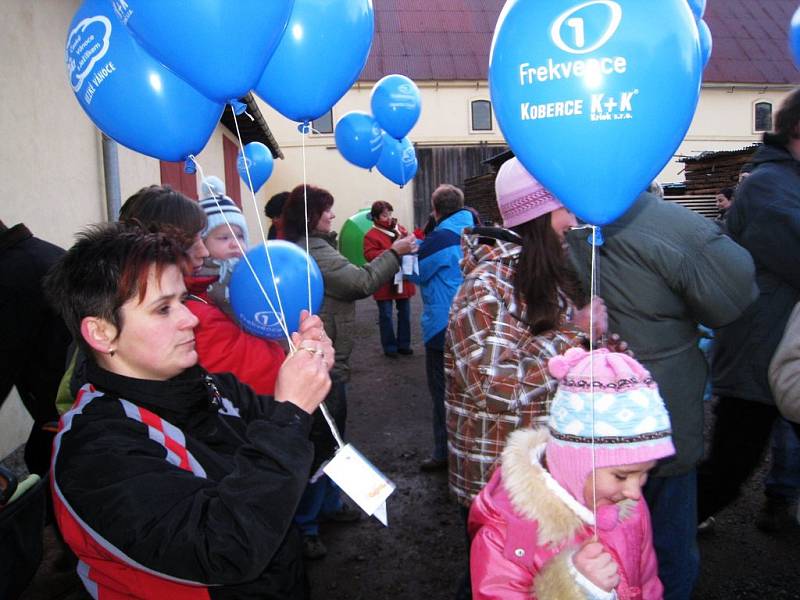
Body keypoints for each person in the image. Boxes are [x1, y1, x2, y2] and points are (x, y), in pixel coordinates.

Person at [44, 222, 333, 598]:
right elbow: (225, 550)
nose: (190, 318)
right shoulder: (96, 451)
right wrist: (290, 413)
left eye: (182, 300)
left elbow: (313, 454)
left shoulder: (210, 388)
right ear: (101, 333)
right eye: (163, 308)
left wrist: (314, 375)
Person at [567, 187, 757, 599]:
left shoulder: (550, 226)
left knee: (594, 542)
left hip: (585, 417)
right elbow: (734, 294)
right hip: (661, 405)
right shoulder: (666, 225)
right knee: (668, 536)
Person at [446, 158, 607, 599]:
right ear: (536, 214)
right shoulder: (485, 286)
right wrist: (575, 333)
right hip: (498, 480)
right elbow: (496, 388)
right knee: (493, 583)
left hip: (539, 476)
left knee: (538, 582)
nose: (572, 222)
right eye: (564, 211)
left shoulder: (543, 276)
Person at [469, 348, 674, 600]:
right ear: (575, 466)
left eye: (645, 473)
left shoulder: (630, 507)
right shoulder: (505, 536)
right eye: (621, 475)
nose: (635, 491)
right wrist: (575, 590)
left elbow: (648, 583)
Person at [282, 184, 418, 558]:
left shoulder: (312, 245)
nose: (332, 216)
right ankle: (308, 524)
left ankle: (328, 505)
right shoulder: (316, 249)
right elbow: (360, 282)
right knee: (321, 442)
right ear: (311, 216)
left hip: (323, 358)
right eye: (327, 210)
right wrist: (395, 253)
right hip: (323, 362)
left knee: (330, 439)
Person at [699, 88, 800, 535]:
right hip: (760, 352)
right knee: (730, 466)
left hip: (777, 348)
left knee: (735, 460)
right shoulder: (770, 188)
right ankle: (664, 533)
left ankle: (778, 502)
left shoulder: (781, 181)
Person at [121, 185, 286, 396]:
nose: (204, 251)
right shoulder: (193, 311)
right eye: (190, 242)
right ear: (156, 246)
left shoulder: (205, 292)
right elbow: (259, 376)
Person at [408, 185, 476, 472]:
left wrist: (408, 253)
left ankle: (443, 454)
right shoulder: (478, 231)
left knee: (442, 394)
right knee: (473, 390)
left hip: (442, 325)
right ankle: (474, 451)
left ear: (435, 210)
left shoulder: (439, 239)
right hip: (475, 321)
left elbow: (417, 274)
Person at [0, 220, 71, 475]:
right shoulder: (42, 252)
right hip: (74, 390)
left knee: (44, 460)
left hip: (63, 402)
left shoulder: (11, 275)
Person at [363, 201, 417, 358]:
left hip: (402, 276)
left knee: (405, 313)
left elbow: (410, 243)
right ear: (375, 217)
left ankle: (404, 344)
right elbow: (369, 255)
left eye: (389, 214)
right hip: (384, 278)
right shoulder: (371, 235)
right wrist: (393, 251)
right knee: (386, 314)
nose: (388, 218)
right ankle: (390, 346)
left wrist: (410, 241)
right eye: (384, 215)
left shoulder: (399, 229)